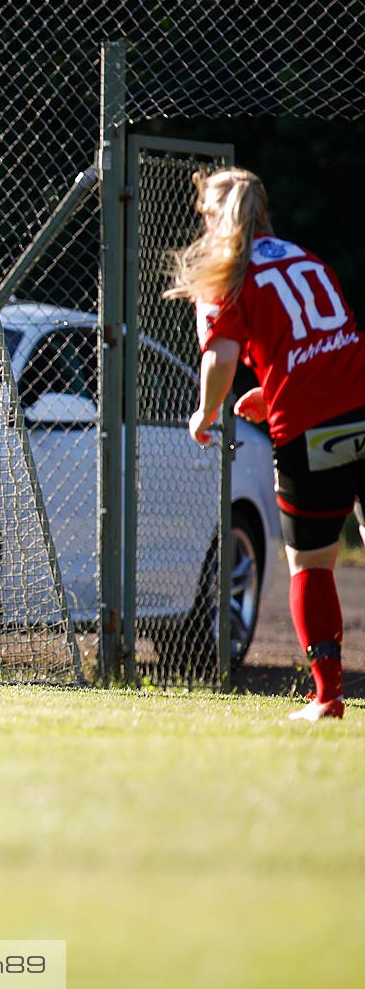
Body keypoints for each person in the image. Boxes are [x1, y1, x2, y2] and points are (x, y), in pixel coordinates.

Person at [168, 166, 365, 721]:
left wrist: (205, 412)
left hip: (312, 430)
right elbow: (322, 339)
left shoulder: (224, 271)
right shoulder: (304, 257)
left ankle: (327, 697)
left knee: (311, 565)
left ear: (212, 216)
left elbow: (220, 358)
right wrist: (271, 390)